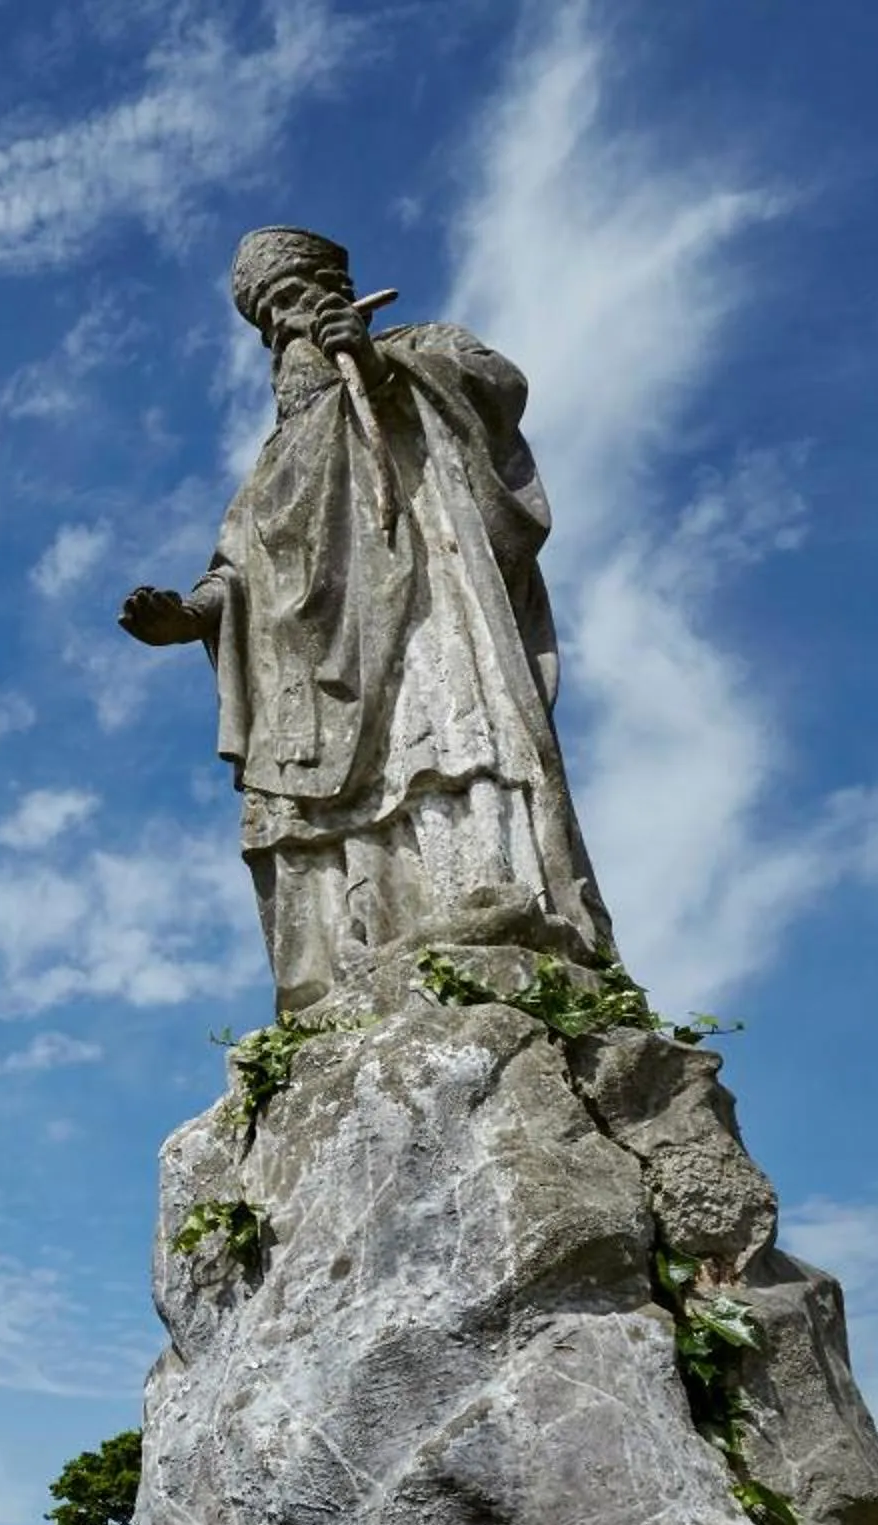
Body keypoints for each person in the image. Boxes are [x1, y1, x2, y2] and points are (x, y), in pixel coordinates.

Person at [121, 226, 614, 1014]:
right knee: (309, 812)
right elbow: (239, 573)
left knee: (440, 754)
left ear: (340, 292)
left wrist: (382, 371)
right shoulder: (274, 463)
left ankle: (483, 912)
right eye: (267, 315)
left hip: (420, 623)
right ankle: (351, 968)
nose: (284, 324)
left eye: (294, 299)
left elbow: (495, 391)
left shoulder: (421, 352)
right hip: (308, 682)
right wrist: (187, 617)